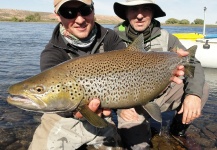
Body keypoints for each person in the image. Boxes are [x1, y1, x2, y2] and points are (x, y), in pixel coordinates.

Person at [28, 0, 190, 149]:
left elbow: (130, 68)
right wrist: (73, 112)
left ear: (93, 10)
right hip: (63, 116)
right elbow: (57, 102)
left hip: (104, 114)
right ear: (58, 16)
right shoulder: (51, 54)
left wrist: (136, 99)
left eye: (85, 10)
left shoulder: (109, 37)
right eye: (69, 13)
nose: (79, 19)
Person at [113, 0, 209, 149]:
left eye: (145, 9)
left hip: (162, 94)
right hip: (130, 103)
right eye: (133, 9)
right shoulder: (112, 39)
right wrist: (119, 106)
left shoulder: (167, 38)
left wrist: (193, 95)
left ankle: (177, 130)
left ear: (152, 13)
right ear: (125, 13)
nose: (139, 15)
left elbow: (192, 62)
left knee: (201, 89)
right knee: (139, 145)